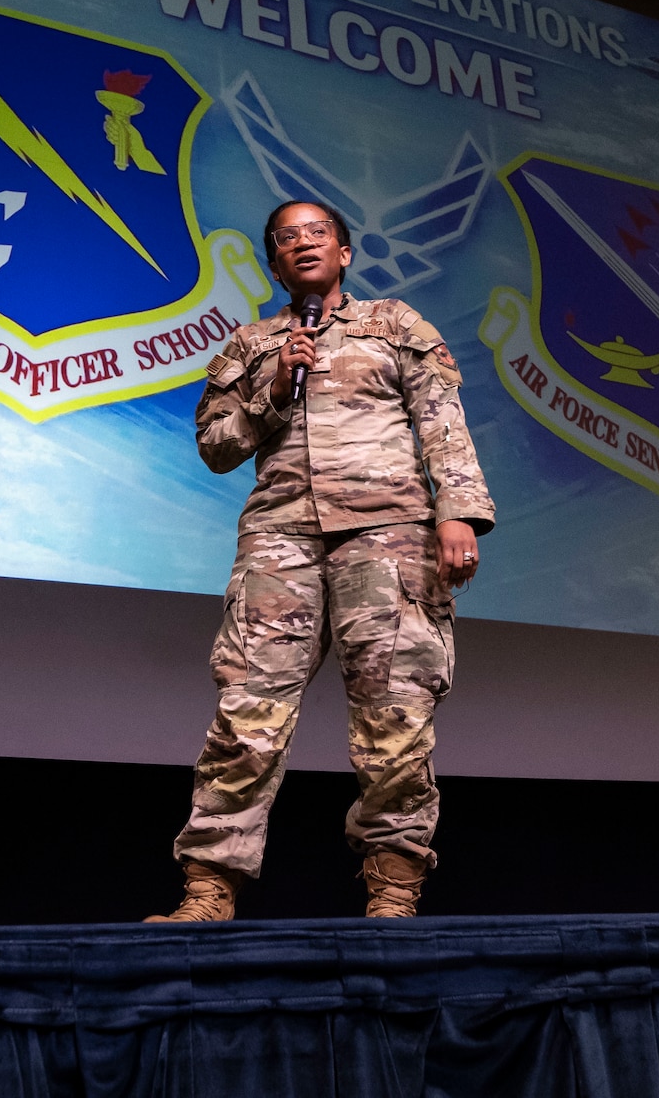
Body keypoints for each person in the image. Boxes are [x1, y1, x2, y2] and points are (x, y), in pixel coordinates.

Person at [146, 201, 495, 922]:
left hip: (391, 533)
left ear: (343, 251)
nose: (302, 243)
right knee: (247, 715)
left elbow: (442, 416)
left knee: (396, 717)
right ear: (275, 263)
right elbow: (216, 445)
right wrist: (273, 390)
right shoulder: (252, 343)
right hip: (281, 538)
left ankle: (393, 891)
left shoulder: (395, 323)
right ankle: (209, 890)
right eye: (286, 238)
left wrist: (457, 511)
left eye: (317, 233)